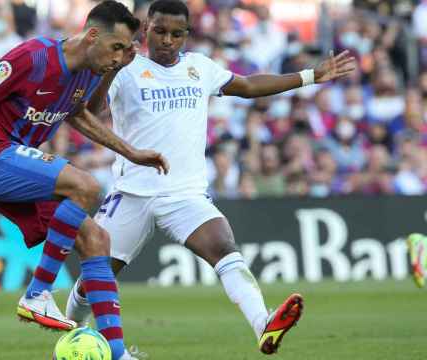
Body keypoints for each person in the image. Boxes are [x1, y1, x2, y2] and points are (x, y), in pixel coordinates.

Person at [65, 0, 356, 355]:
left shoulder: (199, 68)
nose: (168, 40)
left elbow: (248, 86)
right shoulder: (126, 68)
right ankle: (74, 332)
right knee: (95, 275)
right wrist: (113, 68)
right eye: (159, 31)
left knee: (222, 246)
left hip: (185, 194)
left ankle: (263, 324)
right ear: (145, 31)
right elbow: (90, 112)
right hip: (132, 193)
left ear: (187, 35)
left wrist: (311, 75)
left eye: (176, 33)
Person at [0, 2, 167, 359]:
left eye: (126, 49)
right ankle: (38, 292)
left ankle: (118, 354)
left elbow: (81, 113)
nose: (120, 56)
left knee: (97, 239)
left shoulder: (91, 68)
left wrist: (131, 151)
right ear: (91, 35)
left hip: (19, 169)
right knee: (86, 186)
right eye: (116, 47)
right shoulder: (33, 58)